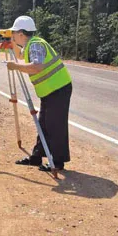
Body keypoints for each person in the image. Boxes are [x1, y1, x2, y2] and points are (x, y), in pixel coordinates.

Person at [6, 15, 72, 171]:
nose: (13, 36)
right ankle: (37, 157)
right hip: (50, 91)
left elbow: (37, 67)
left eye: (14, 33)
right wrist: (15, 62)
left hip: (58, 89)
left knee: (55, 125)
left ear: (21, 34)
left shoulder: (35, 45)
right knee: (43, 123)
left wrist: (15, 66)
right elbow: (26, 62)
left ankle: (57, 161)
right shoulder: (30, 45)